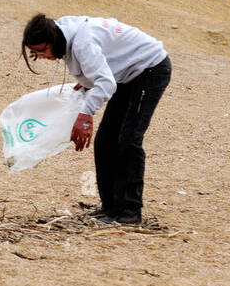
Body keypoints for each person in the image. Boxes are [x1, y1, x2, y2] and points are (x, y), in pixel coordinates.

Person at [21, 13, 171, 225]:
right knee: (105, 141)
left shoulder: (83, 42)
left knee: (129, 140)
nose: (42, 56)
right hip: (125, 75)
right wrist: (86, 83)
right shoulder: (63, 32)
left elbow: (106, 82)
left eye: (42, 50)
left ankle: (130, 211)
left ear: (53, 40)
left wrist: (86, 114)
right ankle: (110, 207)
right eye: (36, 53)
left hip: (150, 69)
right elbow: (102, 66)